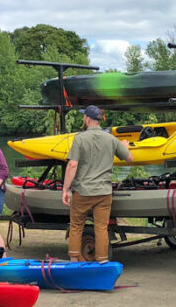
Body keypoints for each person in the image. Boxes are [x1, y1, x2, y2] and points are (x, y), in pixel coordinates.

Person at [62, 105, 133, 262]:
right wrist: (125, 147)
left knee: (76, 226)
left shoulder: (80, 138)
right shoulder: (111, 139)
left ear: (87, 119)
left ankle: (74, 261)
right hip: (104, 193)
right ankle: (102, 261)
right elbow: (129, 158)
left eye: (83, 117)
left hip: (83, 192)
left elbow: (72, 165)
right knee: (101, 228)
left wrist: (65, 189)